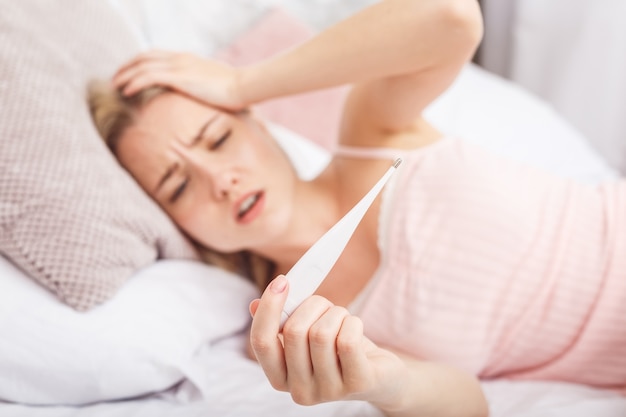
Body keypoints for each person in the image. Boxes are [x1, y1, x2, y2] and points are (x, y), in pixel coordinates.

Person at [88, 0, 626, 415]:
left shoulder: (373, 132)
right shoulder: (288, 333)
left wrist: (240, 81)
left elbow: (452, 17)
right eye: (177, 187)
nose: (219, 180)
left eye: (218, 138)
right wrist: (381, 382)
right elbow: (470, 403)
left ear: (255, 119)